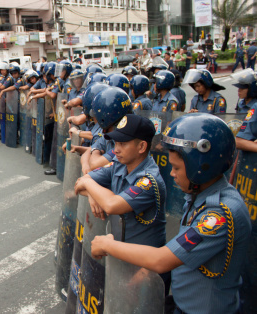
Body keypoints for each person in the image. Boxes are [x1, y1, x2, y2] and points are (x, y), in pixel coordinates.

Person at [90, 114, 251, 314]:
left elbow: (161, 260)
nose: (172, 173)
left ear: (200, 167)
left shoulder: (220, 215)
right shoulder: (199, 196)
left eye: (176, 167)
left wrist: (107, 245)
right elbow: (182, 245)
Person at [74, 114, 168, 286]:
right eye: (116, 143)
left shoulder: (148, 180)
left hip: (143, 272)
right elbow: (79, 185)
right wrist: (94, 193)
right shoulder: (120, 163)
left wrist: (90, 185)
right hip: (120, 259)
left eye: (122, 144)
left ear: (141, 146)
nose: (115, 149)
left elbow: (111, 205)